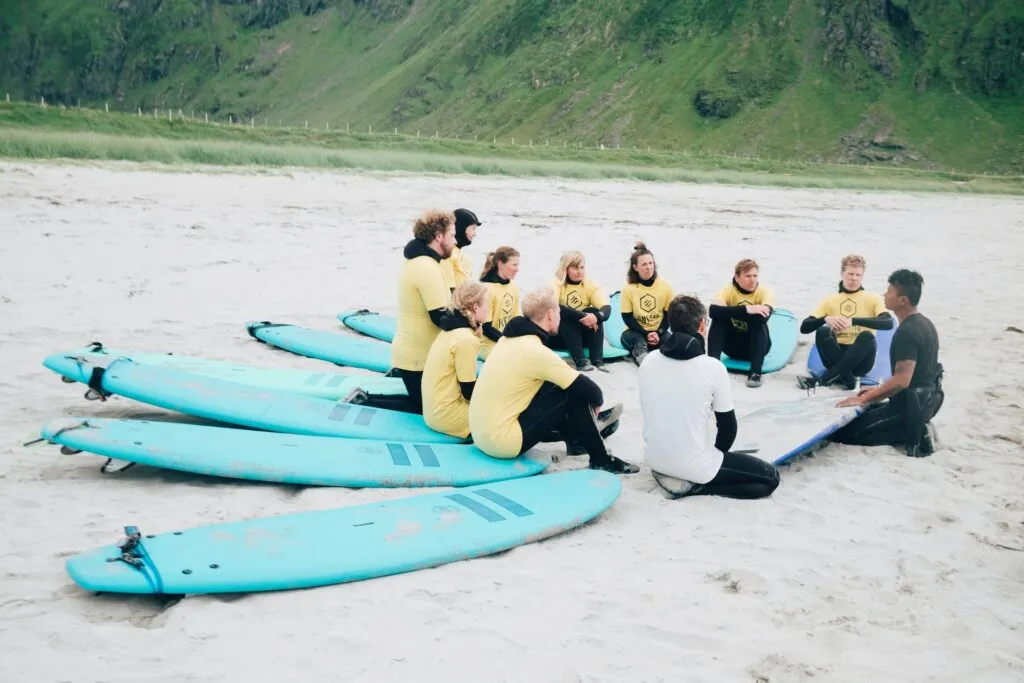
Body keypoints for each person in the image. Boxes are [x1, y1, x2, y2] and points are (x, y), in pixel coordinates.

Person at [468, 287, 638, 474]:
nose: (560, 317)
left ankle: (577, 439)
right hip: (502, 443)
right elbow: (591, 390)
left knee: (555, 382)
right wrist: (596, 404)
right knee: (571, 390)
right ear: (550, 315)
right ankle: (601, 459)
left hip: (481, 434)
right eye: (559, 312)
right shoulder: (534, 350)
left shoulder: (507, 340)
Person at [638, 294, 781, 499]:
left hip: (654, 459)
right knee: (770, 478)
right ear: (702, 326)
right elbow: (728, 429)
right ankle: (696, 487)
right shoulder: (712, 367)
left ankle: (678, 474)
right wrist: (715, 455)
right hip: (693, 466)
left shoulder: (648, 360)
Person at [830, 269, 943, 458]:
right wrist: (876, 392)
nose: (884, 295)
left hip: (908, 409)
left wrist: (864, 399)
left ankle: (911, 432)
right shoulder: (925, 323)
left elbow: (902, 381)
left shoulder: (907, 332)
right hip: (928, 402)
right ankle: (916, 426)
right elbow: (918, 375)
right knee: (868, 411)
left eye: (890, 291)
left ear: (903, 300)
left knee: (844, 434)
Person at [388, 208, 456, 412]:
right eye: (452, 235)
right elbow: (440, 317)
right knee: (424, 408)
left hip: (417, 354)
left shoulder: (422, 262)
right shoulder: (426, 267)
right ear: (439, 236)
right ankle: (364, 401)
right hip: (417, 358)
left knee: (424, 404)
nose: (455, 241)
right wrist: (471, 324)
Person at [796, 254, 894, 390]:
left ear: (862, 276)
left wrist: (853, 321)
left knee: (867, 336)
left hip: (861, 360)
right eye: (850, 274)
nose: (854, 278)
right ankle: (849, 380)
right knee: (822, 330)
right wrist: (825, 319)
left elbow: (888, 323)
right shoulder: (830, 300)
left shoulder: (874, 298)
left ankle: (823, 380)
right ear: (842, 274)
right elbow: (804, 328)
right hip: (834, 357)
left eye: (858, 275)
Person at [421, 281, 489, 439]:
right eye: (487, 304)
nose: (488, 309)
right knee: (504, 416)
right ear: (475, 307)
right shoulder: (466, 339)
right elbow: (468, 392)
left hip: (433, 411)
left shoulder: (450, 329)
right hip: (446, 416)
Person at [708, 258, 774, 388]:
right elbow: (713, 312)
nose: (752, 280)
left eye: (755, 276)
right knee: (718, 320)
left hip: (757, 348)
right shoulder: (727, 290)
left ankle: (755, 372)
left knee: (758, 323)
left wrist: (729, 311)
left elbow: (762, 319)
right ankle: (712, 368)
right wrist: (747, 309)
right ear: (737, 278)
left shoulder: (764, 292)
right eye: (747, 276)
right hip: (731, 348)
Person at [548, 250, 611, 372]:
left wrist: (596, 317)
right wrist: (583, 316)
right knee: (567, 316)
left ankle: (598, 360)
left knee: (593, 311)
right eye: (575, 268)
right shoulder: (556, 283)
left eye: (582, 267)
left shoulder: (589, 284)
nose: (579, 271)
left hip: (580, 338)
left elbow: (607, 309)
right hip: (558, 337)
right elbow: (555, 307)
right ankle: (581, 362)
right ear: (566, 269)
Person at [619, 242, 673, 366]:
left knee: (671, 342)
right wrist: (646, 333)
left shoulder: (666, 286)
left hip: (659, 332)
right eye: (644, 264)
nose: (648, 267)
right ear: (635, 267)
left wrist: (658, 333)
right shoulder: (628, 289)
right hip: (635, 332)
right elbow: (627, 318)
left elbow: (668, 315)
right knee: (640, 341)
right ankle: (644, 362)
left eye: (650, 263)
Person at [478, 246, 521, 359]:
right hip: (487, 344)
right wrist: (507, 342)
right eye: (514, 265)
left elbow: (516, 320)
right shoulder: (486, 289)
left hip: (504, 340)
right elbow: (486, 328)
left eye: (518, 265)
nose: (517, 269)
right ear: (501, 264)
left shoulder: (513, 287)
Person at [440, 208, 481, 291]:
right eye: (473, 229)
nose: (475, 234)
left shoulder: (461, 255)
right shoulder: (447, 255)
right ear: (461, 228)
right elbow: (448, 289)